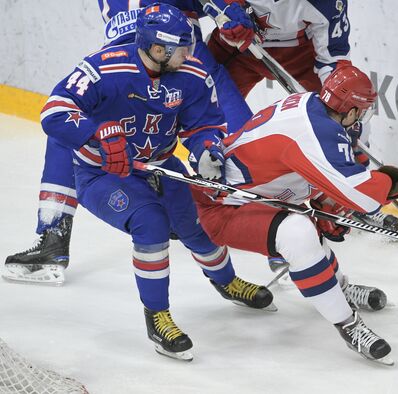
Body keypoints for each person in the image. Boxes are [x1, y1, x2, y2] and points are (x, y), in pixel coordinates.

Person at [38, 4, 275, 360]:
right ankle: (158, 316)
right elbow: (54, 110)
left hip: (161, 165)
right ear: (158, 49)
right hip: (102, 172)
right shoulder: (104, 68)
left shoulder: (192, 74)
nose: (190, 54)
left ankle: (227, 282)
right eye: (181, 48)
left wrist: (207, 149)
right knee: (151, 224)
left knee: (198, 225)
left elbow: (204, 124)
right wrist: (95, 132)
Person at [2, 0, 255, 285]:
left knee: (242, 146)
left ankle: (280, 238)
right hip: (129, 57)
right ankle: (53, 235)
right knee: (70, 125)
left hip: (182, 59)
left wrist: (230, 8)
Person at [188, 64, 398, 364]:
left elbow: (301, 170)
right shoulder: (317, 132)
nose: (362, 119)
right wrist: (389, 184)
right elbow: (363, 198)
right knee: (298, 233)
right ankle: (349, 326)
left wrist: (327, 202)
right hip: (225, 207)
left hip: (260, 195)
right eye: (362, 111)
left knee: (306, 226)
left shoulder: (312, 106)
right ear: (352, 109)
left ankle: (339, 287)